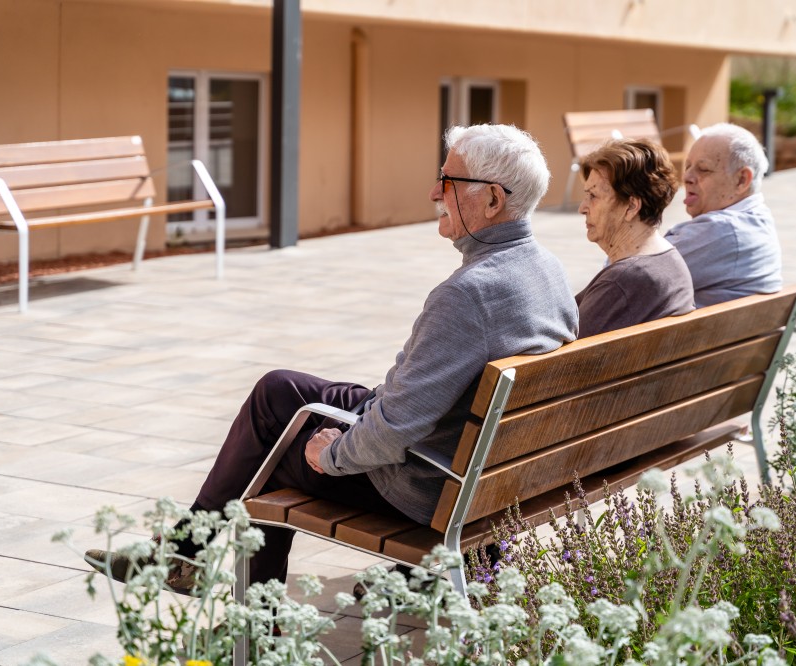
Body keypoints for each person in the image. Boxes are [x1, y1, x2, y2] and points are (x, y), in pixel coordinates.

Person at [86, 124, 579, 591]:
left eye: (449, 181)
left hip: (433, 483)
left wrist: (333, 454)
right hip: (490, 473)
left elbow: (395, 432)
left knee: (275, 457)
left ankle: (251, 624)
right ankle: (184, 553)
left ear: (493, 199)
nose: (434, 192)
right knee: (279, 391)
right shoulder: (548, 269)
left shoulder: (470, 295)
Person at [574, 139, 694, 338]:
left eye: (593, 196)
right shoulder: (669, 259)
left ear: (631, 207)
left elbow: (562, 357)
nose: (582, 208)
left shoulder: (622, 282)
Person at [663, 122, 782, 307]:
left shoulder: (722, 230)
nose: (686, 178)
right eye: (687, 166)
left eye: (703, 169)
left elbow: (622, 280)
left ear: (741, 180)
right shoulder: (758, 219)